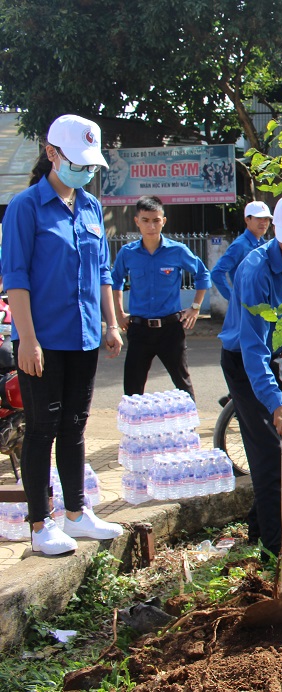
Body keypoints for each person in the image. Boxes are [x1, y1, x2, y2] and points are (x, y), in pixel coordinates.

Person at [2, 114, 124, 555]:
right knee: (42, 429)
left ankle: (76, 513)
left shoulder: (91, 208)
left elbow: (103, 273)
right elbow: (16, 278)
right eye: (78, 163)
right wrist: (28, 340)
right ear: (52, 154)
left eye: (91, 166)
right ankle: (40, 525)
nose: (86, 173)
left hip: (85, 335)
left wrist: (111, 323)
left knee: (75, 426)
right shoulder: (25, 207)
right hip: (43, 339)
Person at [218, 194, 282, 558]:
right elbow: (252, 349)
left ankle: (259, 523)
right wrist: (276, 402)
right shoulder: (254, 271)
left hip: (280, 354)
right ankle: (275, 549)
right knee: (268, 449)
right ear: (276, 230)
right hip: (244, 362)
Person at [112, 196, 210, 399]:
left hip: (170, 329)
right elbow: (116, 282)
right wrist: (119, 313)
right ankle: (134, 430)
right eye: (146, 220)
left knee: (183, 383)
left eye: (156, 220)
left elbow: (202, 274)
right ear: (137, 221)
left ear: (163, 221)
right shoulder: (128, 253)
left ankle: (190, 427)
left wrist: (195, 306)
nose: (151, 226)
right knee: (132, 386)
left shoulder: (177, 251)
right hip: (139, 330)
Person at [211, 200, 273, 302]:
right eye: (258, 218)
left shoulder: (263, 244)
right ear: (247, 219)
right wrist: (234, 299)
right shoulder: (240, 245)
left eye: (266, 219)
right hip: (247, 306)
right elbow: (216, 273)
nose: (264, 222)